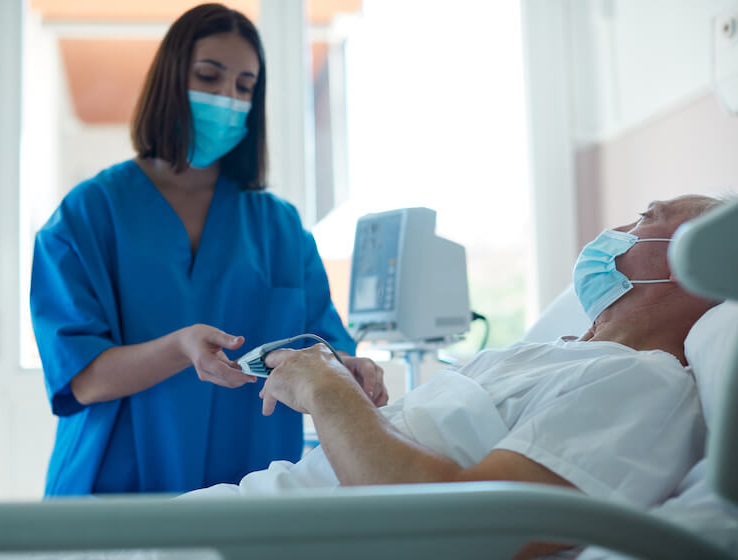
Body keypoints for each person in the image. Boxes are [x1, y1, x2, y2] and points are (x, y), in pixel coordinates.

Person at [185, 195, 723, 555]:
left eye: (647, 218)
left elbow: (459, 533)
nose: (619, 231)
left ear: (693, 259)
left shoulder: (641, 385)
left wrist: (327, 391)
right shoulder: (557, 356)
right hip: (227, 520)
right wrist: (361, 414)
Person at [30, 3, 387, 497]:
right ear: (170, 80)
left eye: (244, 87)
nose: (228, 98)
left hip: (249, 488)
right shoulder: (89, 214)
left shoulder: (278, 227)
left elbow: (322, 348)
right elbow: (82, 378)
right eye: (209, 76)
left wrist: (349, 369)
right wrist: (179, 348)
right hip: (116, 491)